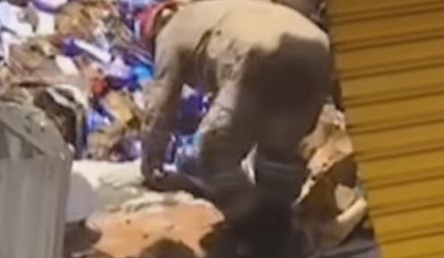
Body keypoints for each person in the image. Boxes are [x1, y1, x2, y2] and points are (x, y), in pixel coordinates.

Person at [137, 0, 332, 212]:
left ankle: (251, 226)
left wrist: (151, 164)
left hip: (259, 55)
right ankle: (282, 219)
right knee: (277, 155)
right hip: (319, 50)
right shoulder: (215, 8)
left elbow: (160, 104)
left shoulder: (169, 34)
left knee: (214, 153)